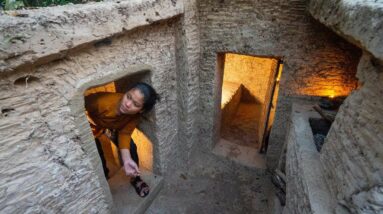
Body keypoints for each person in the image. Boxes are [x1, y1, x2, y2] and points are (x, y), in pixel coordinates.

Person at [85, 82, 160, 197]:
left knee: (131, 147)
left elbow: (125, 133)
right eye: (128, 96)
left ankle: (135, 178)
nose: (127, 104)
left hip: (111, 127)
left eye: (135, 104)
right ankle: (103, 184)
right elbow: (78, 107)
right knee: (97, 157)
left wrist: (126, 159)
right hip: (91, 128)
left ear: (141, 110)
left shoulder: (135, 116)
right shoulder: (100, 102)